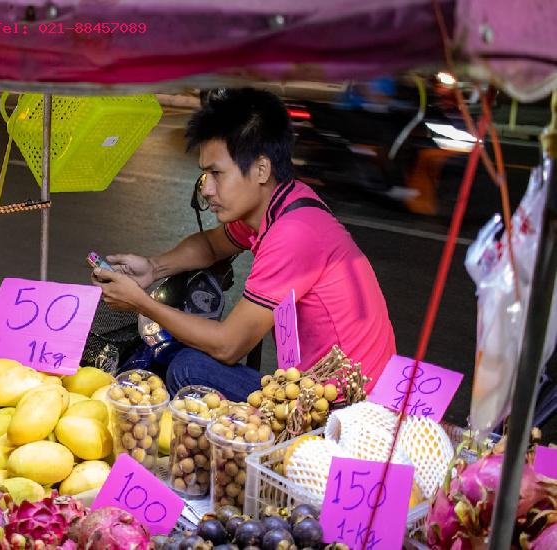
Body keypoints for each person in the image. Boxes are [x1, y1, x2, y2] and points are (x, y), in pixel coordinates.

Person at [92, 88, 396, 402]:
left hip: (345, 407)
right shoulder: (285, 201)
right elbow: (212, 246)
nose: (207, 189)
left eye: (216, 173)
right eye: (204, 175)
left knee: (188, 368)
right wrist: (153, 267)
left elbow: (228, 346)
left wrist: (143, 303)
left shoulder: (294, 233)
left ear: (261, 169)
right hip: (313, 386)